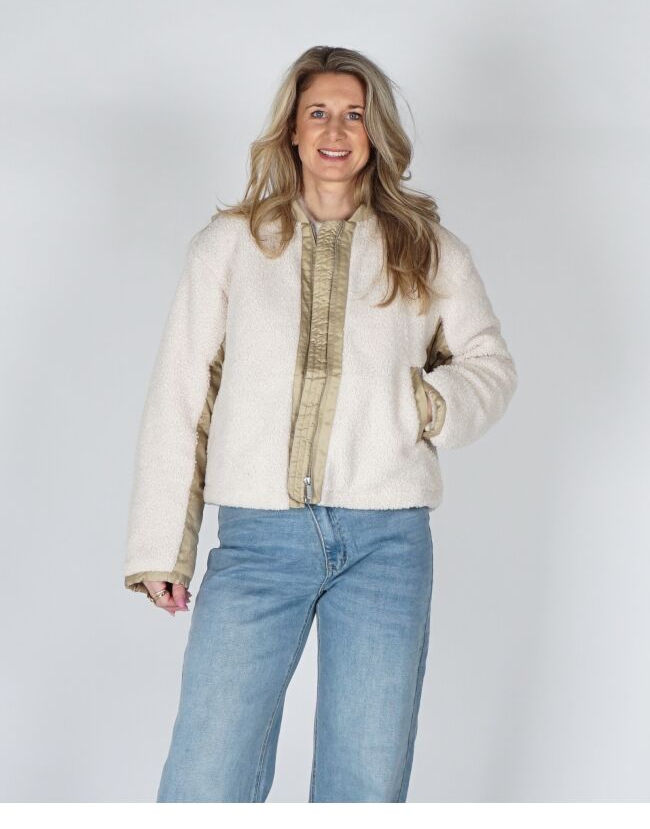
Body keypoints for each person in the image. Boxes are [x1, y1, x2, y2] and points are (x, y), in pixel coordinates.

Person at [124, 45, 518, 803]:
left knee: (364, 784)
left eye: (354, 115)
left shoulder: (426, 249)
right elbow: (181, 395)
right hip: (258, 540)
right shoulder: (231, 246)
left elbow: (490, 365)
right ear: (293, 131)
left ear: (376, 133)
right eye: (319, 113)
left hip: (386, 545)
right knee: (206, 775)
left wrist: (424, 403)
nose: (336, 130)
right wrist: (160, 545)